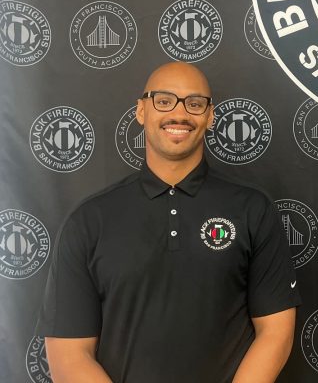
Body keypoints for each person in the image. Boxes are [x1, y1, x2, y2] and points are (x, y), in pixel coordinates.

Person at [37, 62, 300, 383]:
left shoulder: (252, 209)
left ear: (210, 116)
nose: (179, 114)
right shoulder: (90, 220)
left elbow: (276, 332)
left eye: (194, 103)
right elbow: (68, 351)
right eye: (163, 101)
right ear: (141, 111)